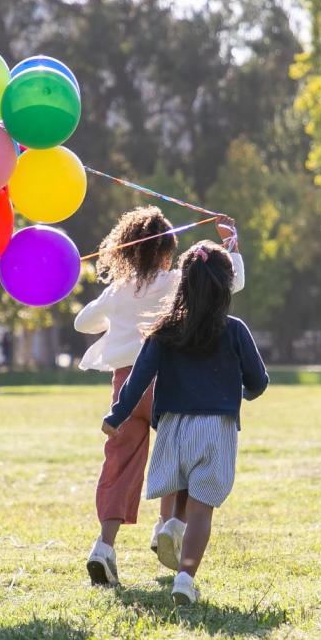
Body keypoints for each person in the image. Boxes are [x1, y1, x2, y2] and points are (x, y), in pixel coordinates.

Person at [75, 207, 244, 586]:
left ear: (126, 252)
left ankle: (104, 545)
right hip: (167, 383)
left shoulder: (117, 291)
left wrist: (115, 309)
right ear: (168, 252)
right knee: (180, 458)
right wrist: (230, 244)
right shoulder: (175, 282)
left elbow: (81, 323)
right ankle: (168, 526)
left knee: (119, 466)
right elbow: (231, 283)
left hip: (125, 388)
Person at [102, 242, 268, 604]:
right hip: (216, 428)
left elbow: (138, 379)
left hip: (173, 427)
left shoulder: (164, 330)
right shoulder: (235, 330)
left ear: (183, 284)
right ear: (226, 286)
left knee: (180, 486)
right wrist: (241, 392)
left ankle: (172, 525)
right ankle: (184, 578)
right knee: (202, 509)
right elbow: (259, 381)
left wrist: (116, 416)